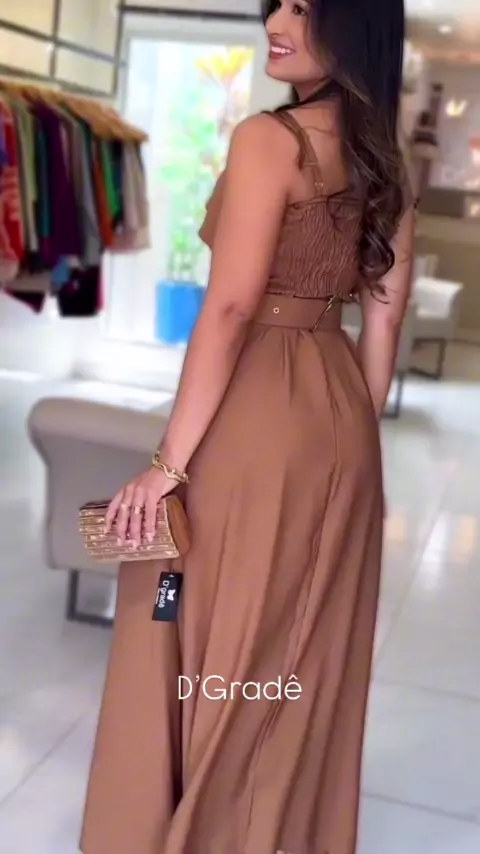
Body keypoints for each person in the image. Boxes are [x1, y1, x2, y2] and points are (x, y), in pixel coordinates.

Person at [80, 0, 414, 852]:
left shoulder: (272, 140)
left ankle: (186, 828)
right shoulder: (384, 156)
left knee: (196, 614)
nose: (276, 20)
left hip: (257, 407)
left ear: (353, 24)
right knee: (296, 639)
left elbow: (229, 310)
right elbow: (384, 320)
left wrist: (167, 464)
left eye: (303, 7)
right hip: (340, 412)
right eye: (276, 3)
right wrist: (347, 438)